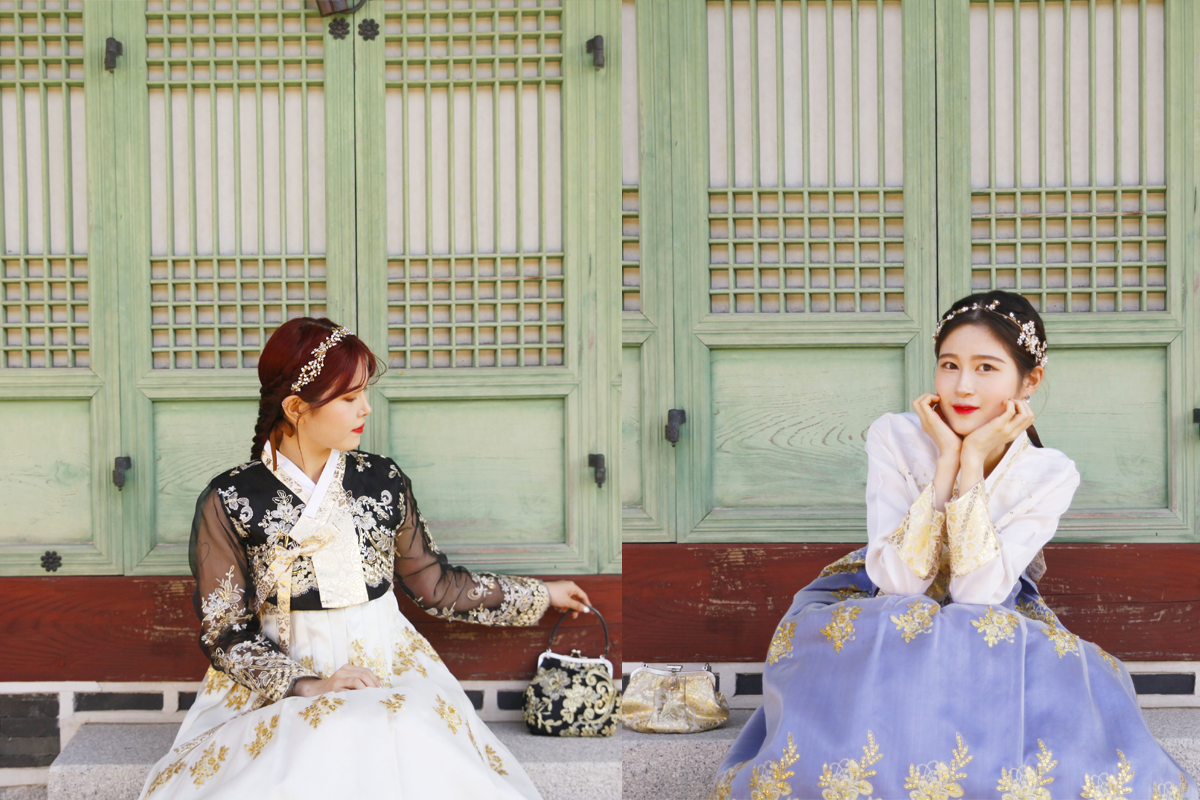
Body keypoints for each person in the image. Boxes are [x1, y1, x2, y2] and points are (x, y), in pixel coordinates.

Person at [711, 291, 1195, 800]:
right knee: (893, 627)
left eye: (986, 367)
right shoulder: (894, 436)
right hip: (881, 595)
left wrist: (973, 463)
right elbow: (900, 583)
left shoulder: (1050, 472)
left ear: (1030, 381)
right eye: (949, 365)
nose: (963, 385)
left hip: (994, 604)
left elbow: (976, 596)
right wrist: (946, 460)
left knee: (993, 648)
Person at [138, 317, 592, 799]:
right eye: (350, 397)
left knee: (403, 736)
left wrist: (542, 594)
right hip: (282, 680)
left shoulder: (382, 480)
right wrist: (309, 685)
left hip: (387, 666)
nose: (366, 408)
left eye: (364, 393)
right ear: (296, 407)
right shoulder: (230, 498)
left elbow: (436, 586)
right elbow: (226, 632)